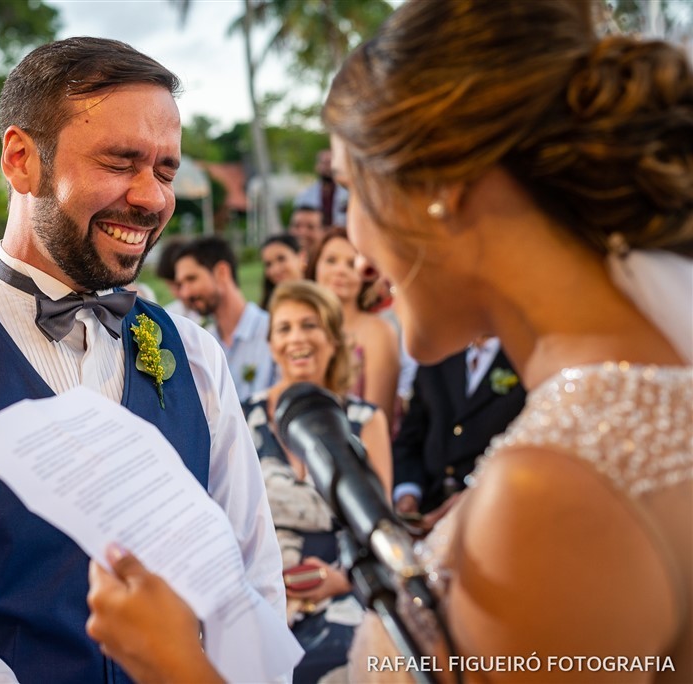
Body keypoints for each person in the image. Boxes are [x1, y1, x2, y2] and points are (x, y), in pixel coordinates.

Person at [86, 0, 693, 681]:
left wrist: (175, 665)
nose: (358, 246)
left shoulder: (559, 490)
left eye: (352, 192)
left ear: (439, 185)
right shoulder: (649, 402)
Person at [0, 37, 286, 682]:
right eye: (121, 161)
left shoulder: (197, 356)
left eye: (165, 170)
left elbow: (251, 583)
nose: (152, 198)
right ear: (21, 159)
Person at [243, 280, 391, 683]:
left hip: (343, 585)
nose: (297, 339)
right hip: (261, 590)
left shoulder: (365, 420)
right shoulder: (243, 416)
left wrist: (337, 581)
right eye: (285, 328)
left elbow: (380, 531)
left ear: (333, 338)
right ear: (271, 343)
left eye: (310, 325)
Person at [392, 337, 526, 529]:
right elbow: (410, 439)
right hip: (428, 508)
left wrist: (473, 497)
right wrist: (408, 492)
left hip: (491, 518)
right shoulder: (437, 356)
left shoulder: (522, 359)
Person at [308, 227, 401, 426]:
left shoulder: (379, 332)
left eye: (351, 264)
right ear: (316, 265)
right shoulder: (298, 327)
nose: (339, 270)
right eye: (331, 260)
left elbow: (377, 416)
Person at [174, 235, 277, 402]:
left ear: (222, 272)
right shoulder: (202, 343)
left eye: (191, 279)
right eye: (180, 285)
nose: (185, 293)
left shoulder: (273, 330)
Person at [293, 149, 349, 229]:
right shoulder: (305, 196)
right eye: (324, 163)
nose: (327, 167)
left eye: (330, 162)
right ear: (317, 166)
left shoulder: (349, 193)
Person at [259, 233, 306, 308]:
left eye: (281, 259)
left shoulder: (322, 298)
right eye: (268, 264)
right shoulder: (266, 312)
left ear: (302, 257)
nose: (275, 270)